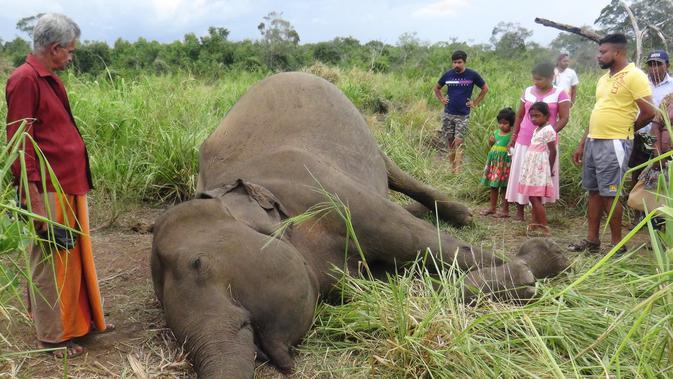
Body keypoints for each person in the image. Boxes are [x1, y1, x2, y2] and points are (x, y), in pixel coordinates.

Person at [5, 13, 112, 358]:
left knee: (69, 260)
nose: (70, 56)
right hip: (47, 188)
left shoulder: (48, 78)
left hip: (66, 183)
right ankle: (52, 338)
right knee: (50, 259)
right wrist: (34, 204)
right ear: (53, 49)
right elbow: (20, 144)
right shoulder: (25, 80)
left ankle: (72, 324)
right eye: (69, 51)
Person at [569, 33, 655, 254]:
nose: (599, 56)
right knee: (594, 191)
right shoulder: (604, 78)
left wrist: (626, 130)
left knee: (611, 193)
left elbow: (649, 112)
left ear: (618, 52)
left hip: (614, 143)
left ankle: (617, 245)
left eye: (603, 52)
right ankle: (592, 242)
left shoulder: (635, 76)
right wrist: (582, 143)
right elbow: (598, 112)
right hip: (594, 141)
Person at [506, 62, 570, 221]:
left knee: (539, 177)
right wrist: (513, 137)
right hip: (524, 140)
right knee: (522, 174)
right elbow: (520, 115)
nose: (536, 83)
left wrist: (548, 133)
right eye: (534, 79)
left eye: (540, 79)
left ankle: (537, 216)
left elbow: (564, 118)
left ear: (551, 77)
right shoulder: (528, 91)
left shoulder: (560, 94)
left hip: (544, 144)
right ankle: (519, 212)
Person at [434, 50, 489, 173]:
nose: (456, 65)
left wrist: (475, 102)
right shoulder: (448, 75)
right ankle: (452, 169)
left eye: (459, 62)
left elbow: (485, 88)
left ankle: (457, 171)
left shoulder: (472, 75)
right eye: (454, 62)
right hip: (448, 114)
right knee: (450, 142)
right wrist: (442, 99)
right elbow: (437, 88)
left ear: (464, 62)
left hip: (463, 115)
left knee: (458, 142)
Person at [627, 50, 673, 189]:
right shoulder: (641, 83)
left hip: (663, 134)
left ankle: (658, 204)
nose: (654, 68)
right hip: (642, 132)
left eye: (658, 64)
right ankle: (636, 202)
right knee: (638, 167)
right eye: (651, 65)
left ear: (667, 65)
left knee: (661, 167)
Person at [517, 102, 557, 236]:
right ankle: (535, 223)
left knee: (534, 197)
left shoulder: (549, 130)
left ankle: (544, 225)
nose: (534, 119)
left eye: (537, 116)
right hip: (532, 168)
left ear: (547, 116)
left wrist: (549, 170)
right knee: (533, 197)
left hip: (539, 168)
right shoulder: (536, 130)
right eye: (532, 116)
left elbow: (553, 151)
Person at [480, 107, 515, 218]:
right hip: (494, 164)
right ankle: (492, 208)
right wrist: (491, 142)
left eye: (505, 123)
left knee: (505, 187)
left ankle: (505, 210)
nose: (502, 125)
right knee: (493, 186)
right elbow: (493, 145)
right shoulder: (495, 133)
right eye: (500, 123)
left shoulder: (512, 135)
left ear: (511, 123)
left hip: (504, 164)